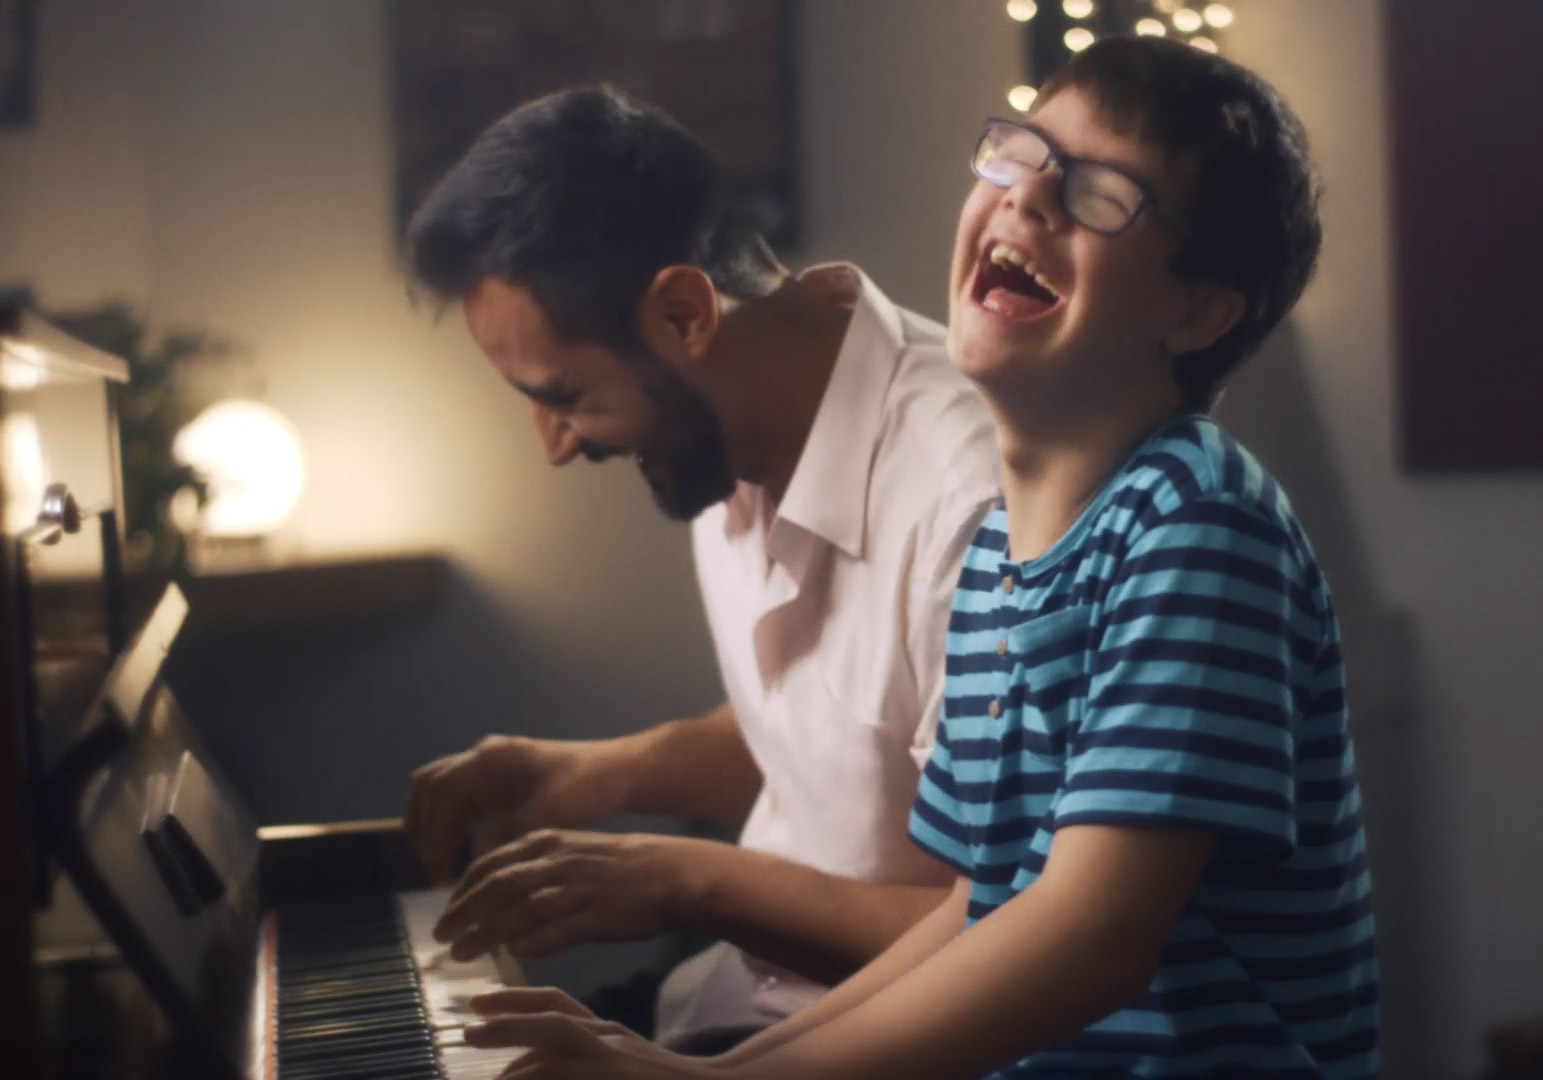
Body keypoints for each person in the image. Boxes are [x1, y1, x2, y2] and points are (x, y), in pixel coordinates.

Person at [461, 35, 1380, 1080]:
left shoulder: (1198, 526)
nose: (1027, 202)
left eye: (1099, 195)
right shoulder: (1006, 551)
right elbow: (980, 914)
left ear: (1200, 309)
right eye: (1020, 158)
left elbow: (1088, 942)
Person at [399, 84, 1001, 1054]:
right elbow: (850, 740)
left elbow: (1000, 935)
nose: (553, 445)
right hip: (730, 1003)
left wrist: (684, 880)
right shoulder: (727, 436)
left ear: (683, 313)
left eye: (562, 395)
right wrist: (601, 772)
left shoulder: (970, 503)